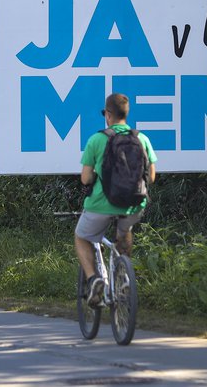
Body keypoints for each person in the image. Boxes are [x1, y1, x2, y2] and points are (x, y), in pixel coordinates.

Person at [75, 93, 157, 307]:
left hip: (101, 204)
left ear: (108, 115)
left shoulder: (97, 139)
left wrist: (96, 175)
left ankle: (93, 279)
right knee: (124, 231)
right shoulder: (142, 138)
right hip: (134, 203)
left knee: (81, 237)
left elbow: (85, 179)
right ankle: (123, 275)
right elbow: (152, 176)